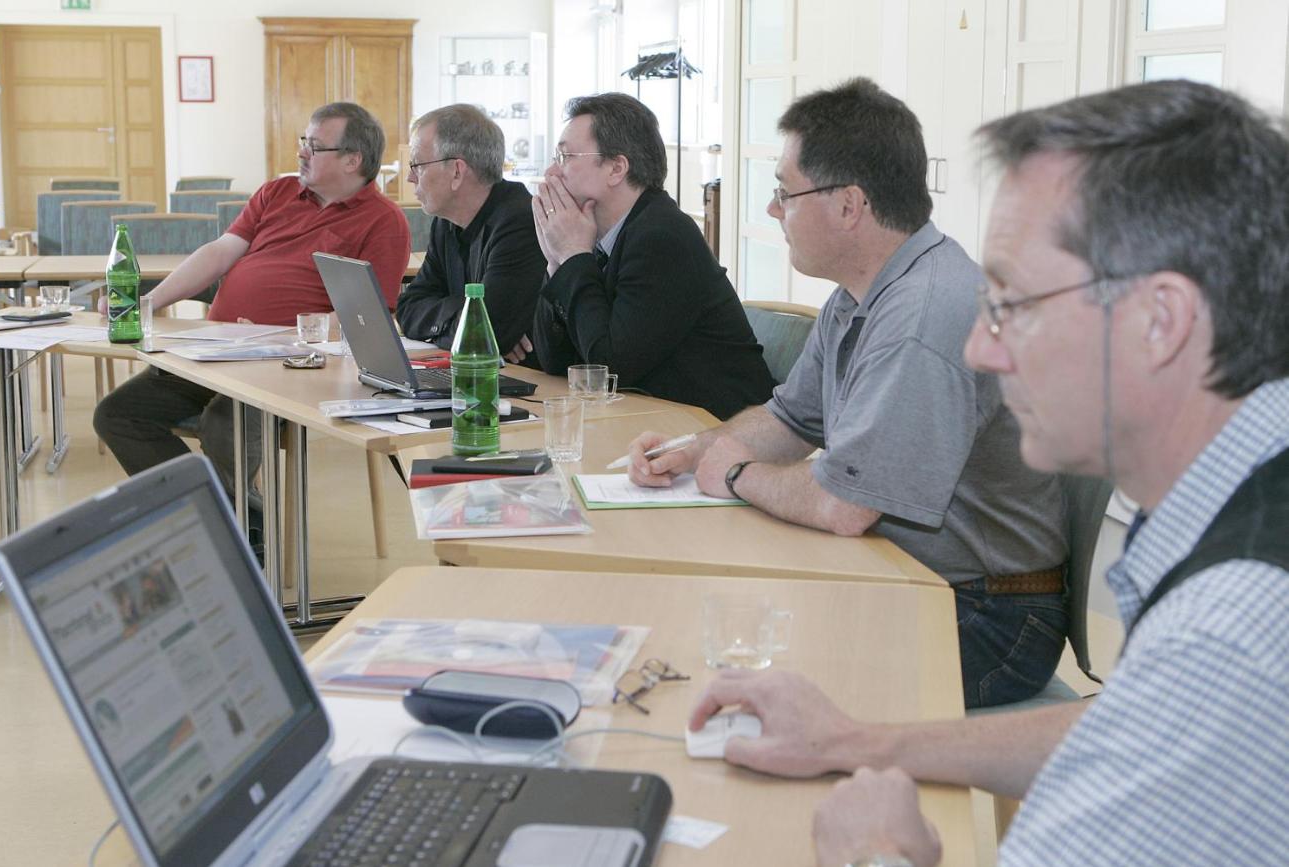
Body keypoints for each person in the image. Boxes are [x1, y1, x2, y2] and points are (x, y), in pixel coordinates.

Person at [690, 80, 1289, 866]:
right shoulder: (1234, 497)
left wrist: (874, 854)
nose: (981, 349)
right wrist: (856, 739)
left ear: (1161, 320)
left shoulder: (1230, 630)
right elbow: (1132, 723)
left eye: (1012, 303)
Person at [629, 78, 1067, 708]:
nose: (775, 210)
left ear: (849, 205)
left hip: (987, 617)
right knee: (711, 634)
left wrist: (735, 474)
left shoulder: (923, 314)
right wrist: (696, 450)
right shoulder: (862, 291)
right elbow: (791, 417)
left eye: (785, 192)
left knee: (732, 668)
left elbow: (843, 505)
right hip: (917, 576)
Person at [93, 102, 410, 517]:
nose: (302, 153)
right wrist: (148, 303)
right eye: (304, 142)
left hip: (287, 368)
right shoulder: (276, 193)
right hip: (217, 351)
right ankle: (215, 516)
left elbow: (369, 319)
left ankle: (236, 534)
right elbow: (220, 253)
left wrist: (280, 337)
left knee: (226, 427)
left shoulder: (384, 222)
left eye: (315, 146)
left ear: (353, 160)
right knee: (117, 415)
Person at [524, 92, 775, 421]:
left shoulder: (662, 236)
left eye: (566, 156)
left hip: (718, 431)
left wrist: (573, 258)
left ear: (617, 168)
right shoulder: (597, 236)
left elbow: (611, 367)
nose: (552, 172)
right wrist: (557, 263)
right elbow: (554, 362)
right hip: (650, 423)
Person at [394, 104, 546, 357]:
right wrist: (466, 312)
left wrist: (476, 329)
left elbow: (484, 336)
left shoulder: (520, 222)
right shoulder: (446, 221)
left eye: (417, 165)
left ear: (457, 171)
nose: (411, 178)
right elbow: (408, 308)